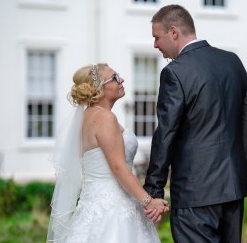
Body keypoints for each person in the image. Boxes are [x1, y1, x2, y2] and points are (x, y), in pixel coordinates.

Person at [143, 5, 247, 242]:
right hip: (233, 190)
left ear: (174, 32)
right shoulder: (233, 62)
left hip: (195, 193)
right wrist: (238, 173)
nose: (155, 45)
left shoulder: (175, 72)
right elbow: (246, 126)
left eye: (156, 37)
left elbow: (166, 134)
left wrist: (153, 190)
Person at [47, 63, 169, 243]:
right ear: (99, 89)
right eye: (115, 77)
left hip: (93, 207)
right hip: (113, 210)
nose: (121, 80)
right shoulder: (105, 118)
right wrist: (148, 202)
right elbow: (118, 167)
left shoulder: (87, 117)